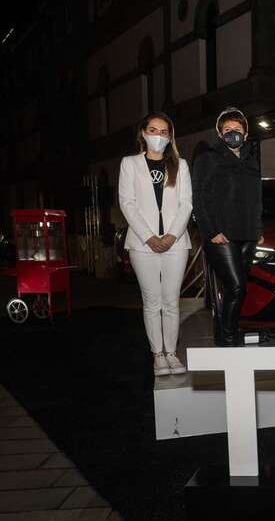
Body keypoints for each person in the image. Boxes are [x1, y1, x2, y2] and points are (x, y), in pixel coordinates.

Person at [118, 112, 192, 376]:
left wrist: (171, 235)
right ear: (143, 133)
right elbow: (127, 203)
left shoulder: (180, 165)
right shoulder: (130, 164)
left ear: (170, 136)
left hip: (176, 243)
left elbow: (186, 204)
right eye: (153, 130)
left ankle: (171, 352)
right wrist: (149, 237)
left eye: (163, 132)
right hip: (142, 244)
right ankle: (157, 355)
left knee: (171, 301)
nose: (158, 136)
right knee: (152, 302)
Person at [192, 107, 264, 346]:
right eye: (227, 129)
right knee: (235, 286)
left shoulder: (251, 160)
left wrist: (258, 230)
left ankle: (225, 334)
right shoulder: (208, 158)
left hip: (248, 233)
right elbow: (199, 198)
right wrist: (210, 231)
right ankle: (229, 340)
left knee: (238, 289)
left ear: (246, 133)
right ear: (220, 134)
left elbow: (256, 198)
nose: (233, 133)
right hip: (221, 235)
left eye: (237, 129)